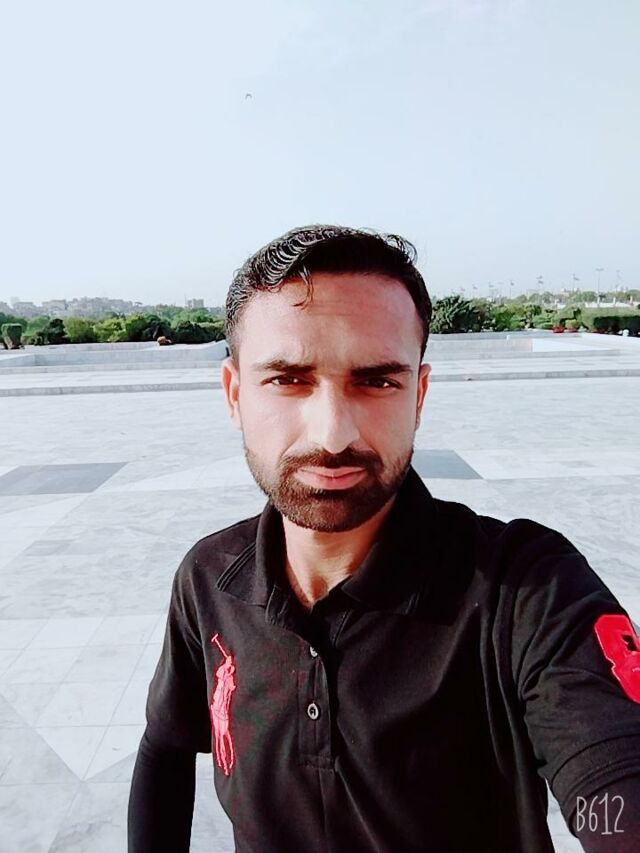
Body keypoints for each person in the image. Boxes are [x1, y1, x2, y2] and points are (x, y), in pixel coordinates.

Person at [128, 225, 640, 852]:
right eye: (288, 380)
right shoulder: (210, 578)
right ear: (235, 394)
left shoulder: (526, 591)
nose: (333, 435)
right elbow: (165, 747)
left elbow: (614, 778)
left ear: (418, 395)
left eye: (376, 381)